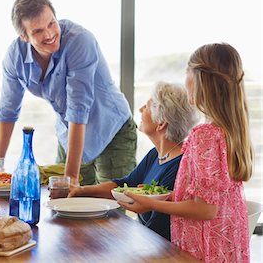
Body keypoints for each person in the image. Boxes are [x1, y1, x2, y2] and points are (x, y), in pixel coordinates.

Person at [0, 0, 137, 185]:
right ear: (24, 36)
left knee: (110, 208)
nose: (49, 34)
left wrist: (70, 178)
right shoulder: (15, 57)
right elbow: (8, 110)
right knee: (64, 208)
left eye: (51, 23)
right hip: (69, 134)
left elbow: (78, 109)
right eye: (37, 31)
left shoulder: (80, 41)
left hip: (111, 131)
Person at [119, 43, 253, 262]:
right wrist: (168, 196)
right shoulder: (230, 130)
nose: (185, 79)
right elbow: (211, 198)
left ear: (201, 79)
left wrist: (150, 203)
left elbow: (205, 210)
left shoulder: (206, 135)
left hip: (205, 248)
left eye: (187, 71)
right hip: (227, 245)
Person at [69, 82, 198, 240]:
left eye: (147, 106)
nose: (141, 109)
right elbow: (125, 184)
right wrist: (81, 191)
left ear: (161, 123)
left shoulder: (179, 166)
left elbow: (157, 228)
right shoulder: (155, 154)